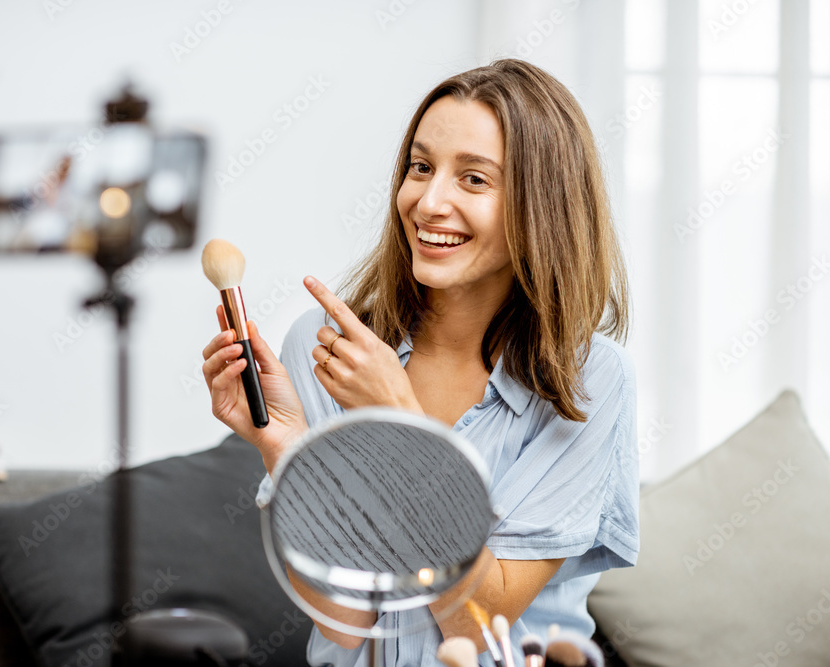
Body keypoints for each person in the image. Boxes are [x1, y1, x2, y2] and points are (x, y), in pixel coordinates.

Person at [201, 58, 638, 666]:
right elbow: (349, 623)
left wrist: (401, 422)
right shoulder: (328, 347)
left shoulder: (587, 380)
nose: (429, 202)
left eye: (475, 180)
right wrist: (286, 447)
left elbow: (476, 621)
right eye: (421, 167)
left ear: (542, 206)